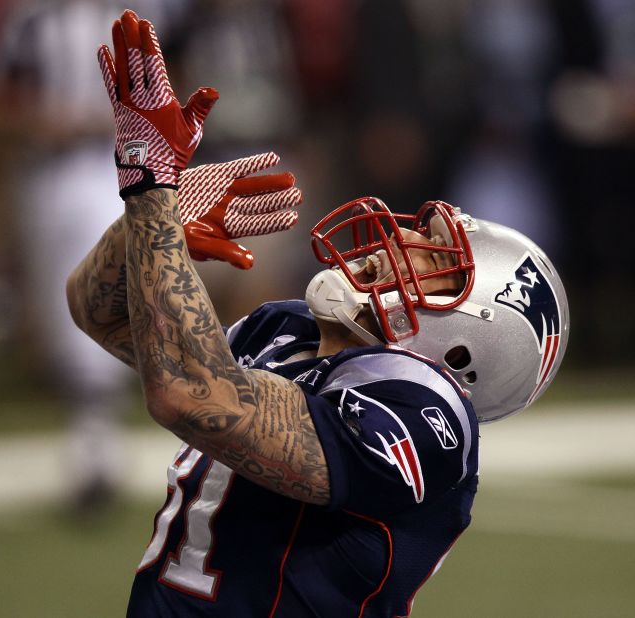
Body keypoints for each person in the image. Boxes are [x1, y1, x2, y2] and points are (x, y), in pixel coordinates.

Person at [67, 10, 569, 616]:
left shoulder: (424, 414)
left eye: (436, 259)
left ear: (466, 348)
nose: (399, 242)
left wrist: (150, 183)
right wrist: (151, 225)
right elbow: (101, 311)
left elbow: (189, 393)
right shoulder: (288, 331)